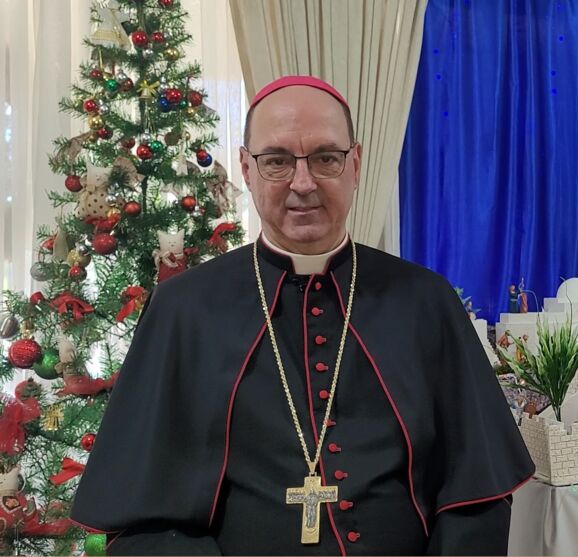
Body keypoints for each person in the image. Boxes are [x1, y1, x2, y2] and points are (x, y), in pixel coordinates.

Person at [70, 76, 534, 555]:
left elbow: (476, 495)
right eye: (276, 162)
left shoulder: (426, 301)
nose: (303, 183)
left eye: (326, 158)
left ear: (355, 164)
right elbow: (142, 526)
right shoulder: (183, 310)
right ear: (247, 170)